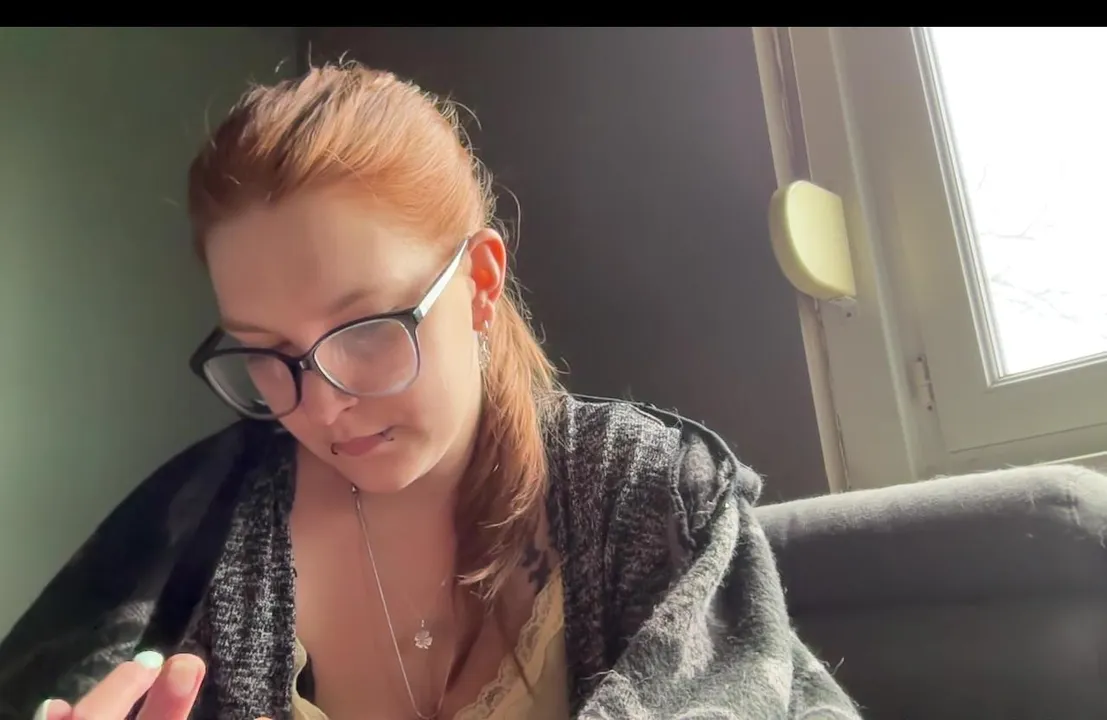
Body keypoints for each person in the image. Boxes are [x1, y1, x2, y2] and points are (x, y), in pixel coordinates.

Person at [0, 63, 859, 720]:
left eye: (365, 329)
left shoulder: (652, 497)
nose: (320, 406)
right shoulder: (189, 532)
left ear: (480, 283)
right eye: (267, 353)